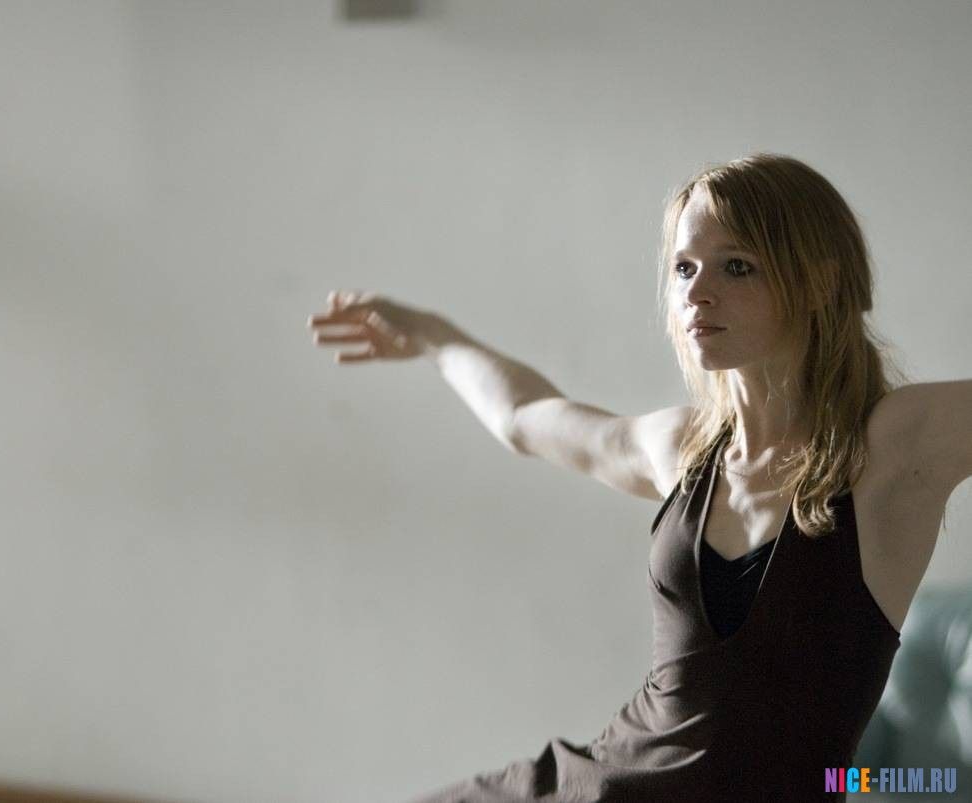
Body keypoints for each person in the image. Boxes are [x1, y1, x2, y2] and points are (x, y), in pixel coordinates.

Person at [305, 153, 972, 802]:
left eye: (736, 265)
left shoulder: (893, 445)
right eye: (683, 267)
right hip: (591, 781)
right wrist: (431, 334)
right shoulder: (685, 449)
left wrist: (867, 785)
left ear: (821, 284)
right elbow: (524, 417)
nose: (695, 292)